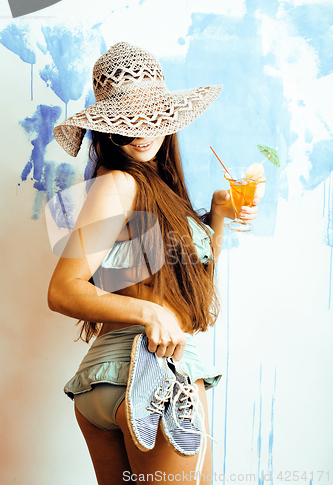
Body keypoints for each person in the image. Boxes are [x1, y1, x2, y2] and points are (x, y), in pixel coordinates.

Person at [48, 42, 259, 485]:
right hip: (153, 371)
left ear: (168, 118)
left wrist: (215, 218)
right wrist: (150, 312)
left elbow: (186, 285)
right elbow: (63, 288)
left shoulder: (153, 189)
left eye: (151, 117)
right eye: (125, 123)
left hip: (107, 381)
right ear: (106, 129)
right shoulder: (121, 183)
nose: (140, 132)